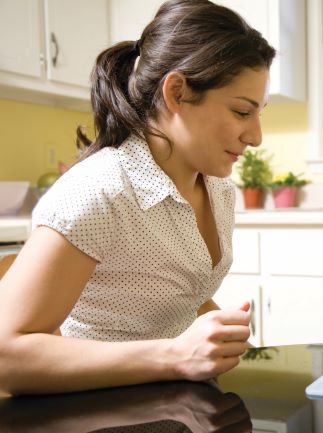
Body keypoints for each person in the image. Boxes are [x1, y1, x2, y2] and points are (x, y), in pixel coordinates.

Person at [0, 0, 275, 395]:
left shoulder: (216, 189)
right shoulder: (99, 190)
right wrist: (176, 356)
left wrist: (230, 346)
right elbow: (6, 357)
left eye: (258, 114)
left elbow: (175, 299)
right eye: (241, 112)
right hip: (98, 411)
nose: (256, 137)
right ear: (177, 92)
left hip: (176, 403)